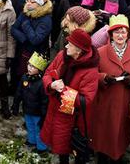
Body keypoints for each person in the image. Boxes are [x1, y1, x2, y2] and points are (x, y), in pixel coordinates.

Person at [91, 15, 130, 163]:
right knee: (104, 136)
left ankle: (118, 157)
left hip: (125, 103)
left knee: (120, 136)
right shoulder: (101, 52)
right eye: (116, 32)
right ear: (110, 34)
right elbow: (91, 75)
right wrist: (103, 78)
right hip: (105, 102)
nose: (120, 35)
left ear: (128, 34)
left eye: (123, 32)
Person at [41, 29, 100, 164]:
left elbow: (86, 100)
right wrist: (51, 85)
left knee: (71, 147)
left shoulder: (90, 71)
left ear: (79, 50)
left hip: (73, 120)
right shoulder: (62, 56)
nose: (66, 46)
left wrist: (63, 90)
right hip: (55, 111)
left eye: (70, 44)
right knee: (60, 149)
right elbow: (48, 73)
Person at [12, 52, 49, 153]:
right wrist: (15, 105)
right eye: (29, 65)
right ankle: (32, 140)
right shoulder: (24, 78)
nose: (29, 68)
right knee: (30, 126)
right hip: (27, 109)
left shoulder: (42, 83)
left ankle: (41, 147)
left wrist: (43, 116)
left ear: (40, 69)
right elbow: (18, 92)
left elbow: (44, 101)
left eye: (33, 67)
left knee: (39, 130)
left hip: (37, 113)